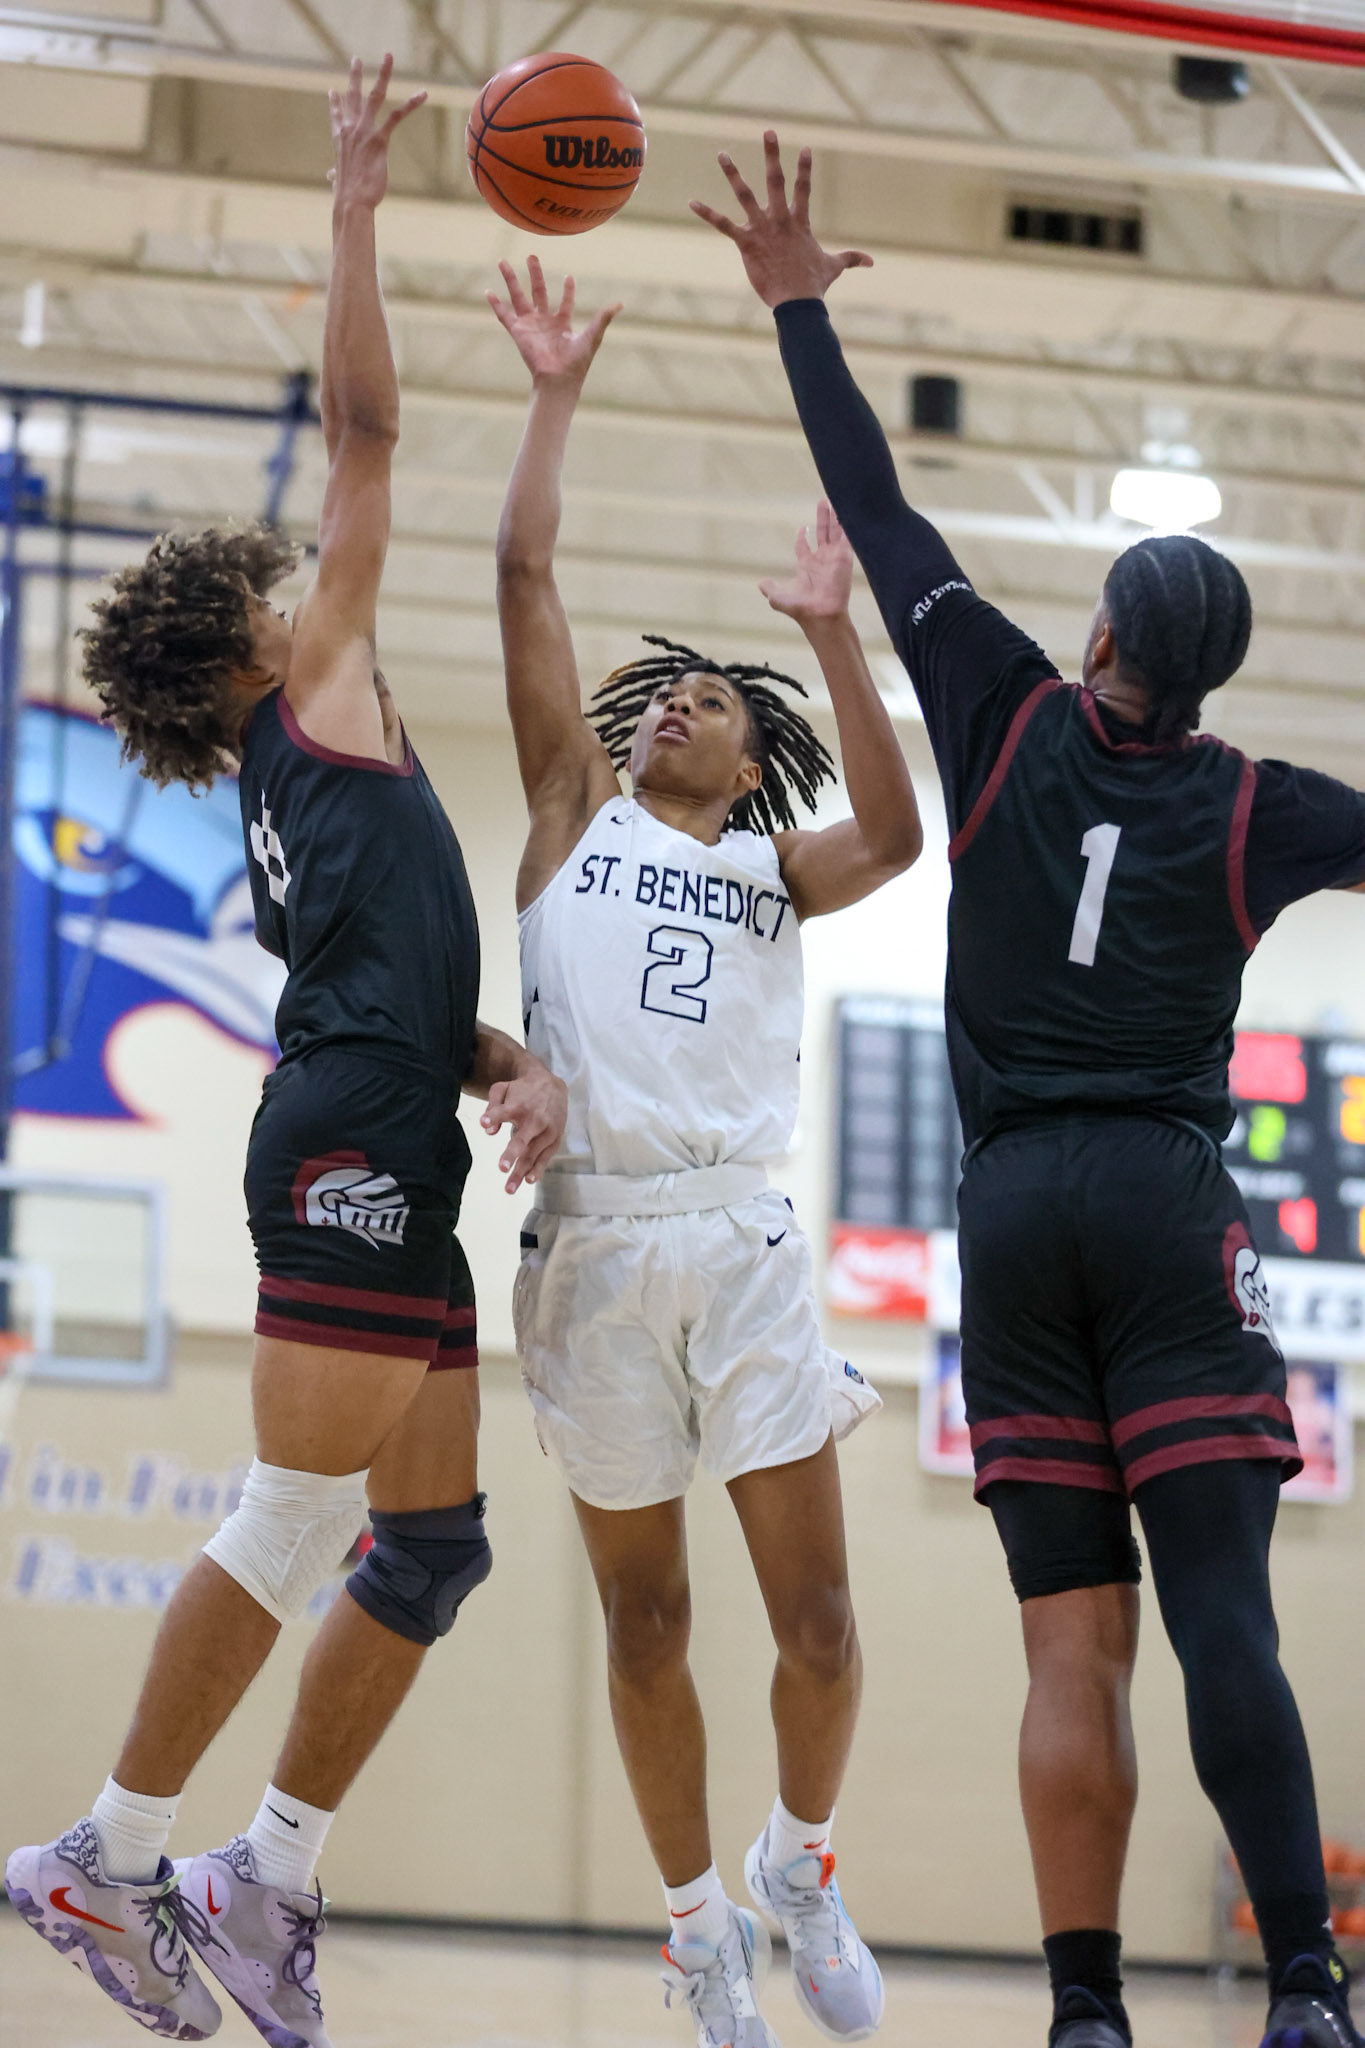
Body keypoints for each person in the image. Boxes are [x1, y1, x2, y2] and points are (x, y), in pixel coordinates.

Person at [694, 130, 1365, 2048]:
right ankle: (1303, 1993)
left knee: (1071, 1644)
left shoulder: (994, 702)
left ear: (1097, 641)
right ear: (1209, 683)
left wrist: (796, 303)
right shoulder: (1259, 808)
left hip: (1008, 1214)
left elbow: (874, 501)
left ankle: (1083, 2012)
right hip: (1162, 1204)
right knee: (1222, 1618)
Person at [5, 58, 565, 2048]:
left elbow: (379, 980)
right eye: (268, 584)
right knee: (297, 1515)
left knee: (434, 1541)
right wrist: (353, 203)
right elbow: (367, 430)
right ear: (247, 642)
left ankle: (267, 1874)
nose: (298, 574)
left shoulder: (305, 780)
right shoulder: (311, 686)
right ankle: (110, 1848)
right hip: (344, 1143)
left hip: (382, 1115)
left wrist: (494, 1054)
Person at [488, 253, 922, 2048]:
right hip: (593, 1247)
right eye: (663, 691)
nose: (675, 702)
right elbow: (523, 578)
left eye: (710, 703)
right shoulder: (569, 819)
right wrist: (553, 396)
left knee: (814, 1624)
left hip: (741, 1244)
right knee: (647, 1628)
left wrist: (830, 630)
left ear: (750, 768)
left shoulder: (771, 869)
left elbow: (896, 834)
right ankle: (692, 1934)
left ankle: (796, 1867)